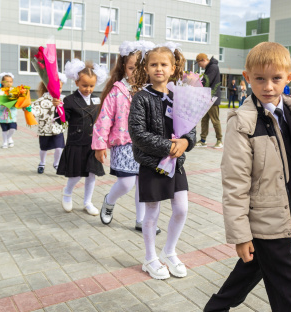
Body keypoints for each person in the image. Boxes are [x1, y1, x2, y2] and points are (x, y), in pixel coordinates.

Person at [203, 41, 291, 312]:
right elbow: (235, 183)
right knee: (288, 289)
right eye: (259, 79)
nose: (268, 86)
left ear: (289, 78)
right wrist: (241, 234)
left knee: (251, 269)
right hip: (265, 217)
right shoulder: (242, 123)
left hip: (289, 209)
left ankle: (215, 309)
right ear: (247, 78)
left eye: (276, 79)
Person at [129, 43, 196, 280]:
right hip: (152, 164)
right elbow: (137, 133)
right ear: (146, 68)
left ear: (173, 67)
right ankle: (149, 258)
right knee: (152, 213)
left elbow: (191, 129)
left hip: (176, 164)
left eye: (164, 64)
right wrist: (168, 147)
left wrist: (186, 143)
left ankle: (169, 251)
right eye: (154, 64)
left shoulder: (179, 95)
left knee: (181, 209)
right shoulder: (141, 97)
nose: (159, 68)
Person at [92, 41, 160, 235]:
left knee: (143, 183)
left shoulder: (150, 91)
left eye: (140, 68)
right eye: (131, 67)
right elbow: (104, 119)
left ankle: (141, 220)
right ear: (124, 67)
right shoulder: (117, 91)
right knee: (126, 182)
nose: (136, 72)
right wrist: (99, 144)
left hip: (145, 144)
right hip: (123, 143)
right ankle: (109, 200)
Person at [53, 59, 107, 216]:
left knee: (91, 175)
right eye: (84, 85)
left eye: (91, 86)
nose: (88, 89)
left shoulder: (97, 99)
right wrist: (58, 107)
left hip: (93, 144)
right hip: (77, 143)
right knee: (76, 174)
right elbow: (63, 119)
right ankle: (67, 193)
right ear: (77, 82)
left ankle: (87, 202)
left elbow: (101, 120)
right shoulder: (69, 100)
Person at [31, 72, 67, 174]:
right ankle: (42, 163)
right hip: (45, 128)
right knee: (43, 148)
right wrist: (29, 111)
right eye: (55, 88)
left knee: (59, 147)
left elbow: (69, 109)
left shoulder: (63, 99)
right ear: (48, 87)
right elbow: (35, 109)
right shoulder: (43, 99)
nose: (58, 91)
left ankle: (56, 163)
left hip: (58, 128)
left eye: (60, 88)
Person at [195, 53, 223, 148]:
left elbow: (207, 81)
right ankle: (203, 140)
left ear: (203, 60)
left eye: (199, 64)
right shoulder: (209, 67)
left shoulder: (213, 67)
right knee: (204, 120)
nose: (200, 66)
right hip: (207, 98)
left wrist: (196, 82)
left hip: (213, 98)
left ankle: (219, 140)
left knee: (215, 120)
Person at [0, 73, 17, 149]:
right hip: (2, 115)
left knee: (13, 128)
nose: (8, 83)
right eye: (6, 81)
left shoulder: (14, 91)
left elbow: (18, 101)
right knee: (4, 129)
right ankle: (4, 142)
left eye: (10, 81)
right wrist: (2, 104)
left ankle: (9, 138)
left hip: (12, 114)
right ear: (2, 82)